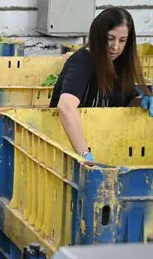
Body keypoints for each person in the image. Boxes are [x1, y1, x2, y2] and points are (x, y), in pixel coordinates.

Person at [51, 8, 153, 162]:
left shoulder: (121, 64)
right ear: (98, 36)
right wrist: (85, 155)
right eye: (110, 38)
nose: (115, 46)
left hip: (106, 147)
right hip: (69, 150)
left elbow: (124, 101)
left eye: (122, 40)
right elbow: (66, 106)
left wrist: (141, 100)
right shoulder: (82, 62)